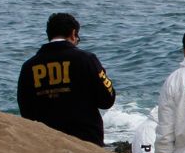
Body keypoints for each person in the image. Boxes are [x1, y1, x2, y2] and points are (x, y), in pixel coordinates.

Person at [17, 13, 116, 146]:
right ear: (73, 33)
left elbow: (25, 111)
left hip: (45, 142)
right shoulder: (86, 59)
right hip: (87, 138)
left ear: (49, 35)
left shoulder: (28, 67)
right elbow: (107, 100)